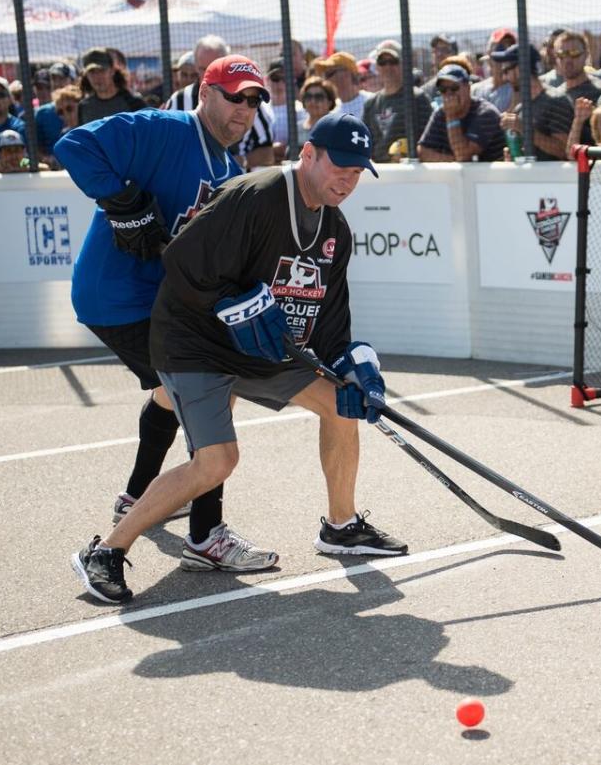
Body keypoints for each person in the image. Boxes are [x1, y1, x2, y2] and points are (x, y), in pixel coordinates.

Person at [71, 113, 406, 604]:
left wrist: (361, 371)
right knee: (217, 462)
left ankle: (341, 526)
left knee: (341, 402)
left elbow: (333, 330)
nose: (348, 181)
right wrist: (233, 303)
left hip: (258, 348)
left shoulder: (336, 231)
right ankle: (104, 552)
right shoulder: (257, 194)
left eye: (358, 173)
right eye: (341, 167)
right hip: (195, 343)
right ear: (308, 154)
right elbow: (180, 262)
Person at [54, 55, 273, 578]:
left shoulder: (231, 175)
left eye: (254, 100)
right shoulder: (162, 129)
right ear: (206, 92)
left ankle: (137, 496)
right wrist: (123, 199)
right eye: (235, 95)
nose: (244, 109)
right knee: (211, 384)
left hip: (160, 306)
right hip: (115, 298)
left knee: (175, 389)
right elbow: (73, 145)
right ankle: (205, 535)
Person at [163, 35, 275, 169]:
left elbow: (268, 153)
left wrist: (238, 161)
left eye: (215, 67)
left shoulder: (252, 101)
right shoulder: (178, 101)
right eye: (202, 69)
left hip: (237, 183)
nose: (207, 74)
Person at [492, 43, 574, 161]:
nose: (505, 78)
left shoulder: (556, 101)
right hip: (530, 177)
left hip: (554, 178)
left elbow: (564, 150)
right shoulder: (520, 108)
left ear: (521, 68)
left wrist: (524, 129)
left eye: (506, 71)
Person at [417, 63, 505, 162]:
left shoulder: (486, 113)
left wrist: (451, 116)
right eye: (443, 89)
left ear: (468, 88)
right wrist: (453, 162)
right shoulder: (440, 113)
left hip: (496, 176)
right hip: (461, 176)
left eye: (454, 88)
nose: (449, 94)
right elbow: (422, 152)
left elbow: (463, 156)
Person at [363, 43, 431, 163]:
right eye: (382, 62)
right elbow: (365, 142)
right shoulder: (371, 104)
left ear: (403, 64)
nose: (388, 67)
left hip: (409, 170)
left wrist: (411, 153)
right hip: (379, 173)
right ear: (377, 67)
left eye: (393, 61)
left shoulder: (417, 98)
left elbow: (429, 140)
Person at [76, 48, 147, 127]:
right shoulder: (84, 106)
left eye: (101, 70)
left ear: (112, 71)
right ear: (86, 75)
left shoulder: (134, 102)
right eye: (92, 72)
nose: (97, 77)